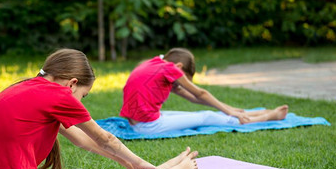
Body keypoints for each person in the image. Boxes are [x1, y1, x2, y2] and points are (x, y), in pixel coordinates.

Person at [0, 49, 198, 169]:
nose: (81, 102)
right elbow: (105, 139)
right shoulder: (58, 95)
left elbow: (82, 140)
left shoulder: (27, 87)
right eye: (83, 95)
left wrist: (131, 163)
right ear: (72, 84)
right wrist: (134, 160)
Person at [120, 47, 289, 134]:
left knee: (204, 112)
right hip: (147, 126)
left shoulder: (154, 65)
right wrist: (229, 110)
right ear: (179, 67)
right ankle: (266, 117)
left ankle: (247, 114)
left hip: (138, 122)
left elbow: (193, 98)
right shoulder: (171, 69)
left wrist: (228, 108)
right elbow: (200, 93)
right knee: (206, 116)